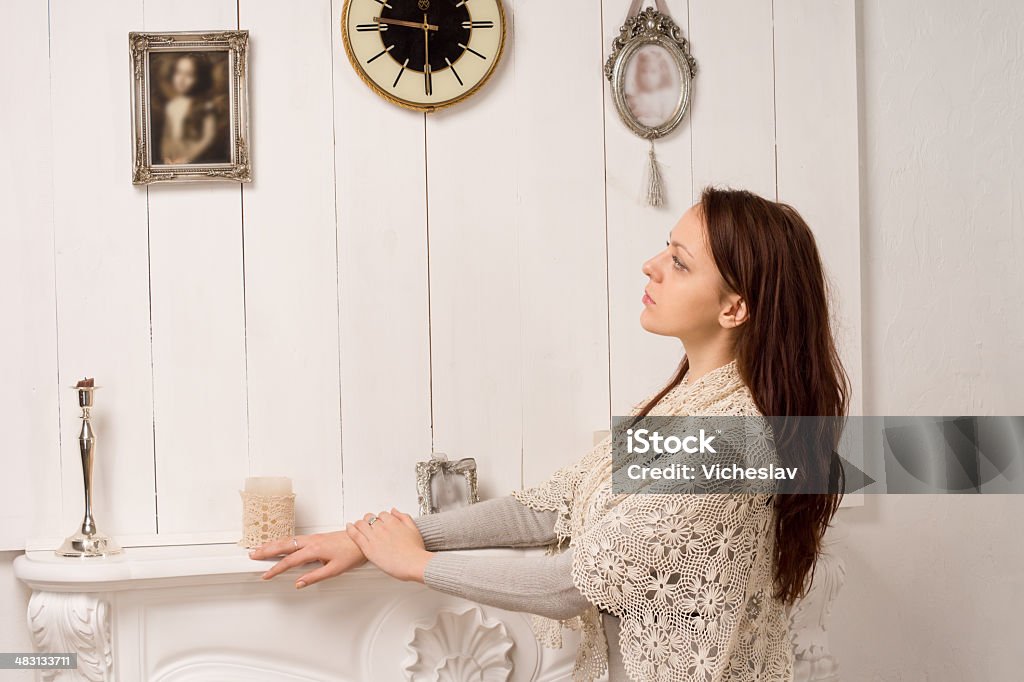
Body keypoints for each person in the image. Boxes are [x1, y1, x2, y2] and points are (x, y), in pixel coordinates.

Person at [250, 186, 849, 681]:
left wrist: (416, 564)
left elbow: (573, 582)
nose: (651, 265)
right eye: (667, 248)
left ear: (734, 310)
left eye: (680, 262)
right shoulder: (685, 411)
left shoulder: (733, 438)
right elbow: (546, 509)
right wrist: (376, 538)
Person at [155, 53, 226, 165]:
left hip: (191, 161)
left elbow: (207, 139)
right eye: (178, 72)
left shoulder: (205, 106)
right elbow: (167, 138)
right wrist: (166, 158)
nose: (181, 79)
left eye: (189, 75)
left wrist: (186, 159)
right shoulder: (171, 106)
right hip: (171, 163)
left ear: (198, 79)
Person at [626, 47, 677, 128]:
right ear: (638, 73)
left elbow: (668, 120)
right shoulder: (636, 96)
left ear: (661, 74)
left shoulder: (664, 97)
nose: (648, 76)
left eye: (653, 71)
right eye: (644, 71)